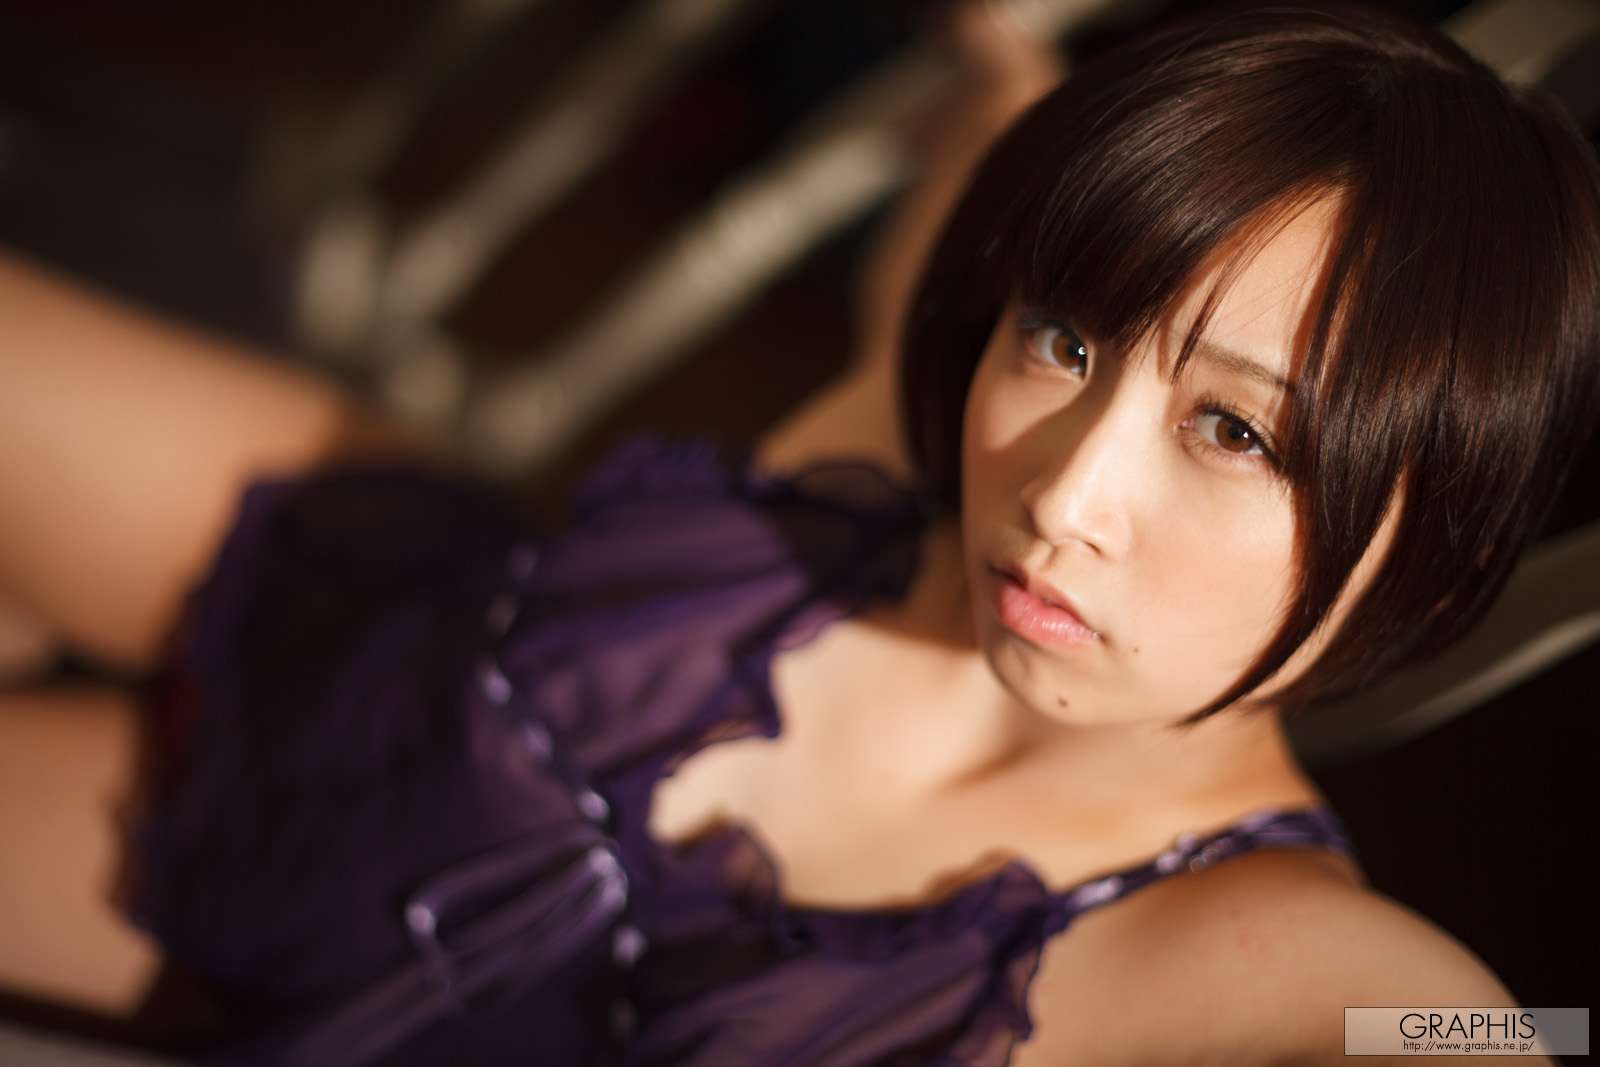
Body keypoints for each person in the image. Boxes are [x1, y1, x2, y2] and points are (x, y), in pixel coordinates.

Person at [1, 0, 1594, 1063]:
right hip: (374, 615)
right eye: (1065, 340)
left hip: (222, 885)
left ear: (1439, 538)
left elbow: (1505, 1036)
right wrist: (1001, 52)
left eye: (1235, 432)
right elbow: (992, 127)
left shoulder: (1245, 953)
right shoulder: (905, 438)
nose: (1059, 495)